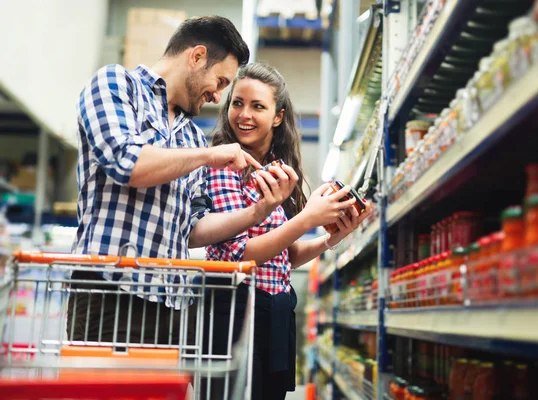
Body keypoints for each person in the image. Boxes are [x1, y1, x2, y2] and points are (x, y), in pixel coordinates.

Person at [67, 17, 295, 345]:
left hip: (171, 304)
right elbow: (126, 162)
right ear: (197, 57)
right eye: (220, 81)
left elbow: (194, 230)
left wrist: (258, 212)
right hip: (110, 290)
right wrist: (207, 156)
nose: (218, 97)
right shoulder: (116, 84)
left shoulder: (191, 135)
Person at [205, 63, 371, 399]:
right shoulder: (224, 166)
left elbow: (284, 256)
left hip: (275, 311)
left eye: (257, 106)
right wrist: (307, 219)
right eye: (237, 103)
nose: (244, 115)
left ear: (278, 117)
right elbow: (241, 256)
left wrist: (330, 238)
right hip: (237, 313)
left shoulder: (276, 169)